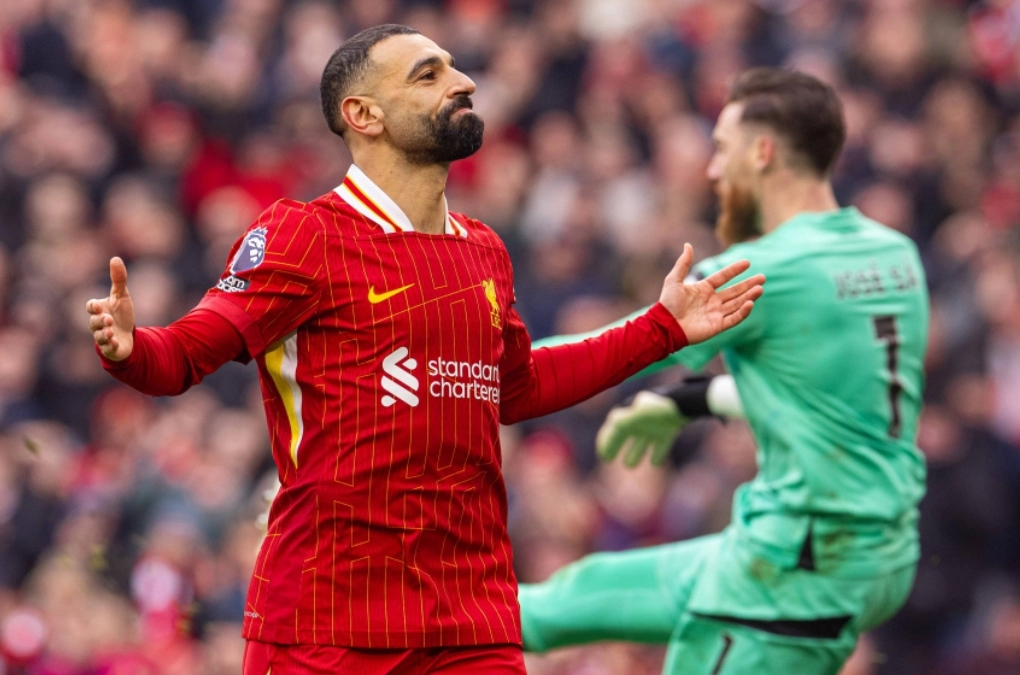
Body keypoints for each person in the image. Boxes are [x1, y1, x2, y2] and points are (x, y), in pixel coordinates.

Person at [86, 24, 764, 675]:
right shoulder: (304, 236)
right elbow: (183, 355)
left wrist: (661, 328)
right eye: (429, 75)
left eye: (454, 67)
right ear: (364, 114)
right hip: (331, 620)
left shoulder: (485, 250)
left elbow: (516, 387)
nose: (463, 82)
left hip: (472, 618)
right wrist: (128, 348)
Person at [518, 68, 929, 675]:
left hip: (799, 568)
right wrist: (690, 401)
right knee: (560, 602)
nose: (711, 172)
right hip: (876, 550)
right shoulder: (893, 254)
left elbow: (598, 351)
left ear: (762, 154)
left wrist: (463, 368)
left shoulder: (760, 271)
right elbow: (823, 399)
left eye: (720, 150)